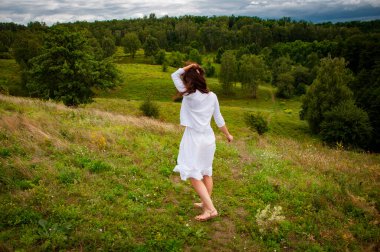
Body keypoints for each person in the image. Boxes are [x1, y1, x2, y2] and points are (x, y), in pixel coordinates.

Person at [171, 63, 233, 221]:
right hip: (208, 138)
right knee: (206, 172)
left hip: (194, 138)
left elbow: (174, 75)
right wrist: (228, 135)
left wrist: (190, 66)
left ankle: (211, 209)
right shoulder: (212, 96)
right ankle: (205, 205)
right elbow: (219, 119)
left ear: (190, 80)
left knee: (193, 174)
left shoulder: (189, 95)